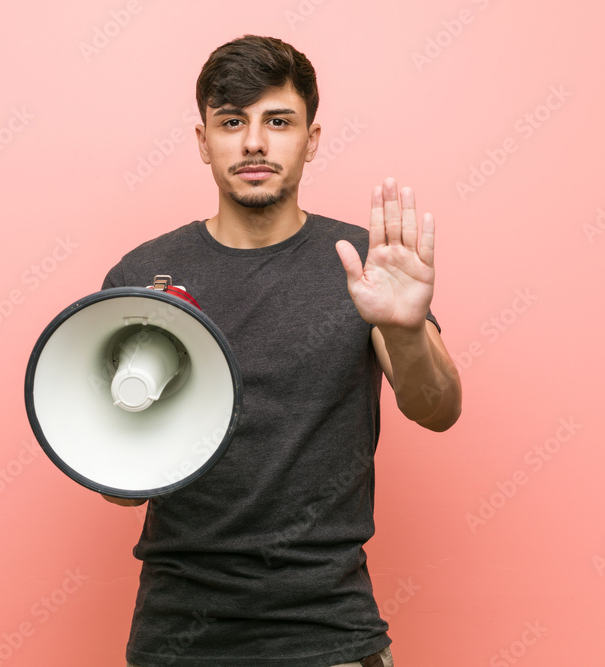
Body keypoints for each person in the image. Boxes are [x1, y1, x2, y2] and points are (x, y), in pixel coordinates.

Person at [100, 34, 462, 667]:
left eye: (278, 121)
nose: (254, 143)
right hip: (177, 637)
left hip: (328, 635)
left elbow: (438, 408)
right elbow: (121, 490)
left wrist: (405, 329)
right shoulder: (145, 274)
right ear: (203, 140)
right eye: (232, 122)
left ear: (311, 140)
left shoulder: (365, 265)